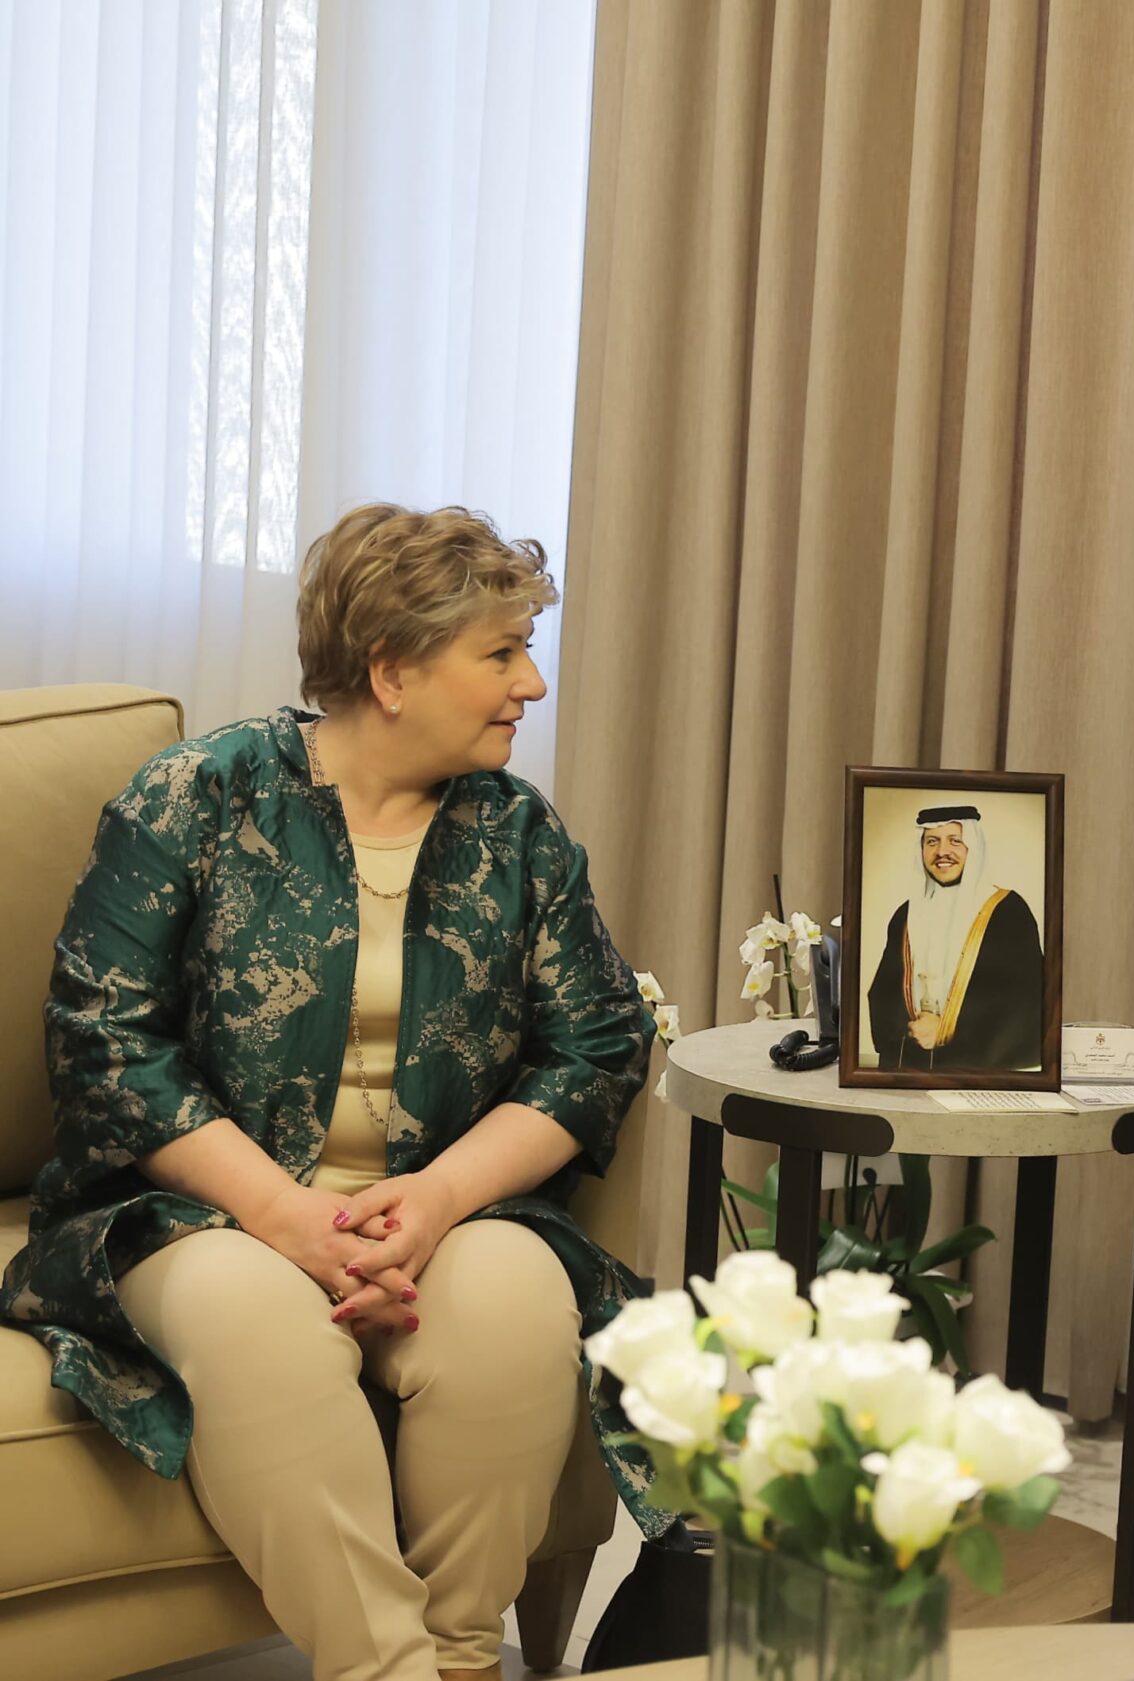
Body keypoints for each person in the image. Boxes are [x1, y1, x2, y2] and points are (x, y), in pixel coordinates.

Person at [1, 504, 662, 1681]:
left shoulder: (517, 832)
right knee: (264, 1331)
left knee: (512, 1310)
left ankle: (463, 1659)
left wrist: (438, 1198)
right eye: (502, 654)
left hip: (443, 1212)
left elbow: (598, 1044)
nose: (532, 684)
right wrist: (285, 1216)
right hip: (200, 1214)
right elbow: (104, 1041)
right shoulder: (196, 796)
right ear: (392, 671)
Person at [866, 805, 1044, 1070]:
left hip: (978, 1067)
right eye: (932, 842)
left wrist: (948, 1030)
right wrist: (912, 1028)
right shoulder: (906, 914)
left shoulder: (1007, 910)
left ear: (973, 846)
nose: (942, 852)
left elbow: (1022, 998)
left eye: (955, 841)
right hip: (912, 1063)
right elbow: (884, 991)